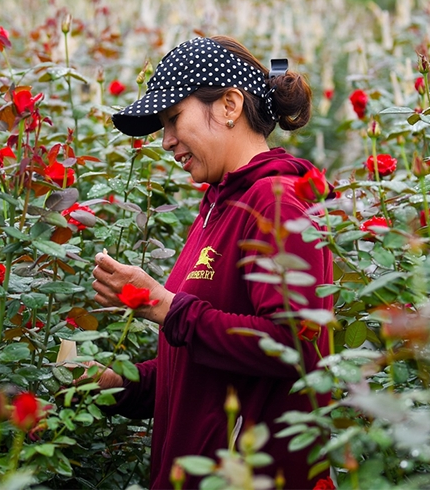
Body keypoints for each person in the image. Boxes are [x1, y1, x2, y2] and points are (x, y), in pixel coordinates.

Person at [91, 36, 334, 489]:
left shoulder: (276, 202)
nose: (166, 142)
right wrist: (116, 383)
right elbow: (202, 364)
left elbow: (293, 345)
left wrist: (163, 305)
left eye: (173, 119)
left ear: (228, 105)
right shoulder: (219, 205)